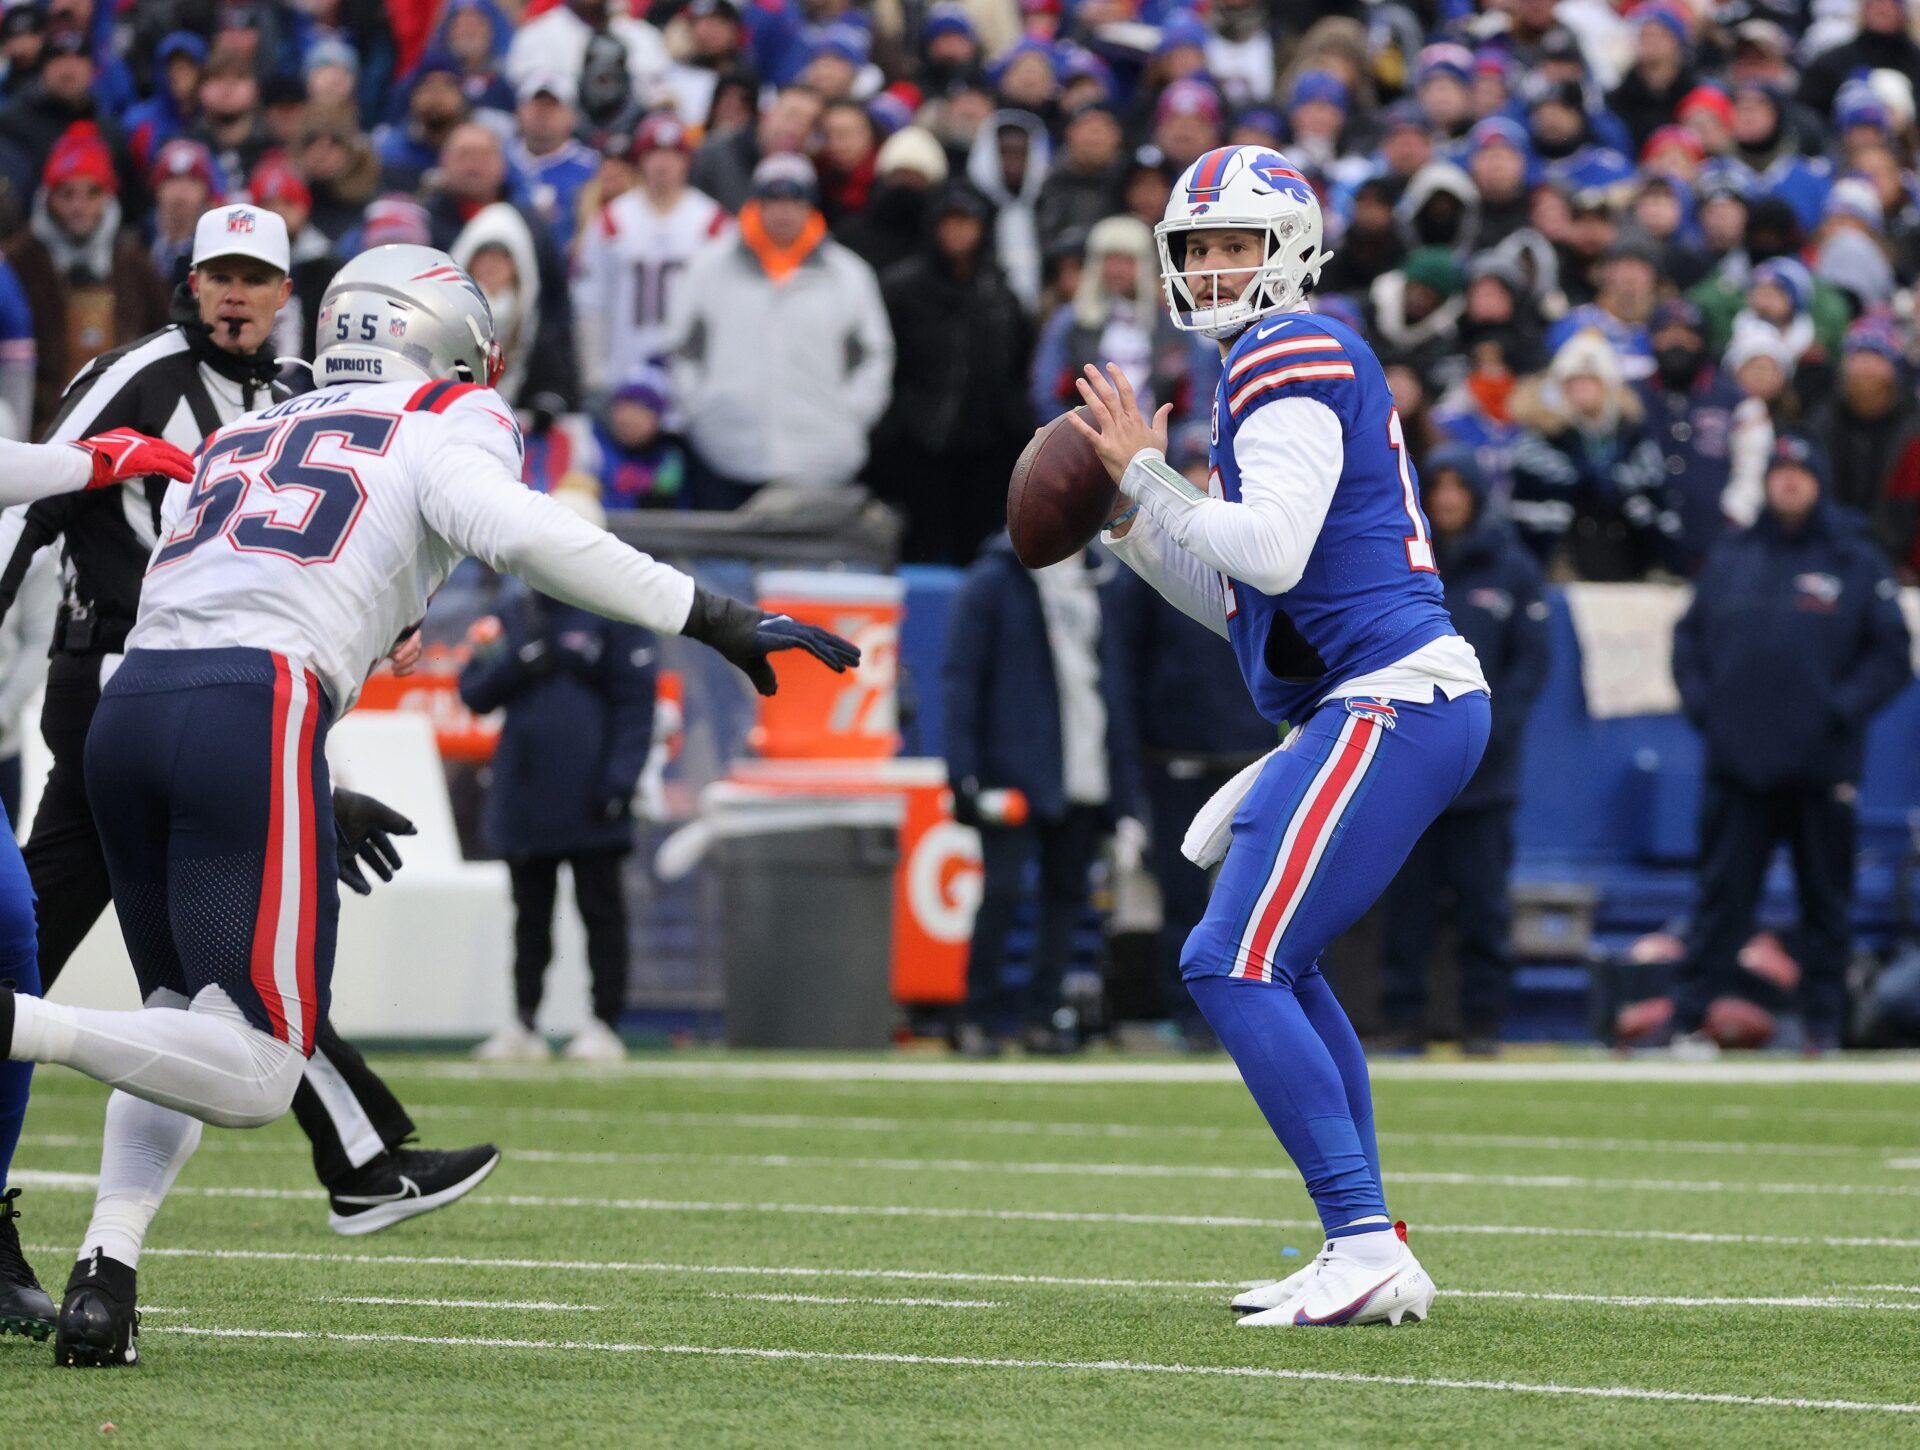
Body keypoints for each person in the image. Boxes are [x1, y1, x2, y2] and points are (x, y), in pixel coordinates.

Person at [0, 241, 859, 1367]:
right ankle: (20, 1023)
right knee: (258, 1065)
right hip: (250, 705)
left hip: (135, 702)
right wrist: (709, 613)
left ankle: (106, 1271)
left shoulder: (252, 426)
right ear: (446, 339)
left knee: (181, 1009)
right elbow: (523, 534)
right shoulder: (447, 416)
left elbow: (234, 590)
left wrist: (311, 765)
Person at [0, 207, 505, 1340]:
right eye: (219, 274)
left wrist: (321, 757)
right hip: (115, 693)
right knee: (51, 944)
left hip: (219, 702)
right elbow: (30, 501)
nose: (236, 293)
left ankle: (161, 1246)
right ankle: (361, 1155)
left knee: (196, 987)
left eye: (257, 276)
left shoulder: (294, 399)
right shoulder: (138, 372)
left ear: (289, 292)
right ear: (189, 280)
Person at [1070, 144, 1490, 1327]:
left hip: (1390, 696)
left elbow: (1269, 551)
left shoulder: (1289, 347)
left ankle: (1361, 1237)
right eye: (1196, 247)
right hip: (1379, 700)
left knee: (1228, 958)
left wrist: (1150, 477)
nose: (1210, 268)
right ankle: (1365, 1239)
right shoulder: (1262, 362)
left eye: (1235, 244)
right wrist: (1129, 523)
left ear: (1290, 250)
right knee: (1274, 960)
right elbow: (1241, 598)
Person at [1670, 432, 1912, 1056]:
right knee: (1720, 901)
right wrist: (1709, 710)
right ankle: (1693, 1020)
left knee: (1826, 904)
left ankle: (1822, 1027)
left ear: (1820, 482)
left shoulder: (1855, 560)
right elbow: (1688, 642)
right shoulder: (1731, 554)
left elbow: (1891, 657)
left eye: (1801, 473)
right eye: (1779, 471)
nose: (1789, 482)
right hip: (1737, 764)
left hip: (1820, 767)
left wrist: (1838, 711)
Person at [460, 494, 657, 1064]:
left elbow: (635, 704)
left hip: (592, 793)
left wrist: (620, 779)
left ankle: (604, 1021)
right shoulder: (516, 611)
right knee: (530, 916)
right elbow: (473, 691)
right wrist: (519, 664)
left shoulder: (617, 610)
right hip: (526, 791)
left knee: (601, 911)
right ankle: (523, 1021)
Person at [1378, 446, 1549, 1054]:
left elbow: (1532, 662)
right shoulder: (1399, 561)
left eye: (1459, 486)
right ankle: (1402, 1019)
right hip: (1410, 768)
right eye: (1439, 487)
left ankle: (1483, 1021)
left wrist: (1494, 729)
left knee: (1483, 904)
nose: (1448, 498)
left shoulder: (1512, 568)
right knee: (1407, 907)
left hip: (1486, 774)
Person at [942, 542, 1133, 1056]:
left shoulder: (1102, 582)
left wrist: (1124, 790)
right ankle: (979, 1017)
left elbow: (1114, 689)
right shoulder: (995, 580)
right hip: (1014, 772)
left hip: (1085, 766)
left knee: (1066, 900)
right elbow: (962, 680)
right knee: (1003, 893)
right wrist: (963, 773)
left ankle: (1041, 1016)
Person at [665, 153, 892, 507]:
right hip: (726, 452)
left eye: (795, 200)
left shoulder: (848, 274)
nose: (784, 212)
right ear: (757, 203)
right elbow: (684, 349)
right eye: (774, 200)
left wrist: (851, 415)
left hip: (821, 457)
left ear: (810, 206)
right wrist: (700, 406)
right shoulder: (709, 266)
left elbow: (873, 356)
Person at [873, 177, 1031, 564]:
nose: (957, 231)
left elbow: (1019, 361)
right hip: (917, 447)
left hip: (986, 450)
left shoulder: (1001, 292)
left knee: (976, 553)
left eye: (967, 222)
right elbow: (884, 361)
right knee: (917, 553)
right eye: (949, 221)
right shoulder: (899, 288)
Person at [572, 112, 730, 402]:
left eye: (673, 154)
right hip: (624, 365)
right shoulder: (611, 221)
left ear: (687, 160)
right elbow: (590, 300)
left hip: (692, 373)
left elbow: (726, 306)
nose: (663, 164)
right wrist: (594, 370)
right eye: (653, 154)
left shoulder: (713, 222)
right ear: (640, 161)